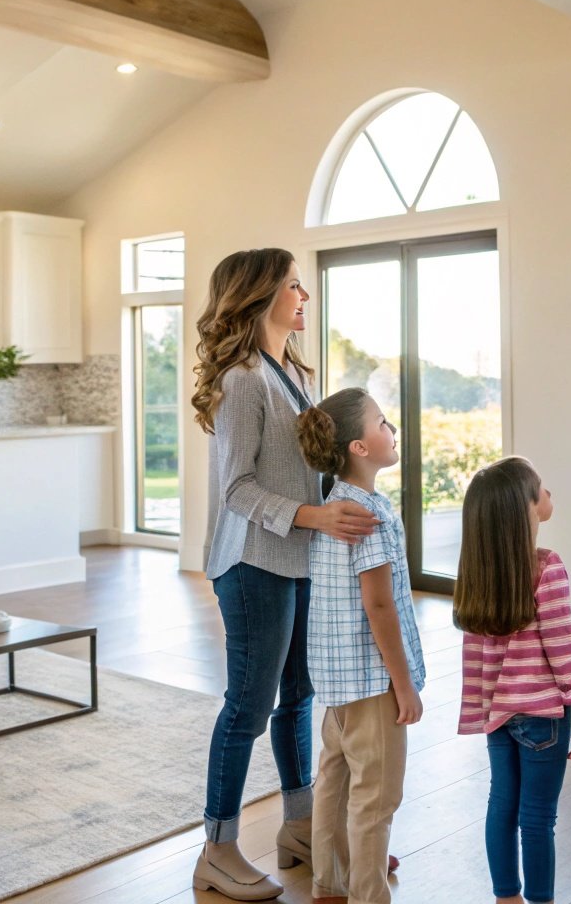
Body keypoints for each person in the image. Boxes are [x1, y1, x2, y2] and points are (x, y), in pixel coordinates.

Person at [190, 248, 382, 902]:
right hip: (251, 565)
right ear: (260, 295)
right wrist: (314, 516)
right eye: (294, 285)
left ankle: (302, 829)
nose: (304, 295)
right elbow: (236, 489)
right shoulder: (245, 379)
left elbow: (305, 470)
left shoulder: (288, 372)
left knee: (298, 698)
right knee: (249, 706)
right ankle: (216, 850)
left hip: (297, 561)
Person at [294, 387, 426, 904]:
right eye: (382, 422)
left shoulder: (337, 506)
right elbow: (380, 607)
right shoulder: (363, 515)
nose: (391, 428)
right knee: (377, 796)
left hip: (336, 678)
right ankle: (368, 896)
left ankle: (329, 884)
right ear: (359, 447)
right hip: (372, 681)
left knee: (336, 779)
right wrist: (404, 682)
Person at [455, 457, 571, 904]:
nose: (549, 494)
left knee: (502, 806)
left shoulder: (476, 573)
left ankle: (506, 898)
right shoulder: (547, 567)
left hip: (500, 715)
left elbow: (474, 655)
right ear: (526, 507)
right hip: (544, 718)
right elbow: (563, 650)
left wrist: (482, 712)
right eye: (543, 488)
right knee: (538, 818)